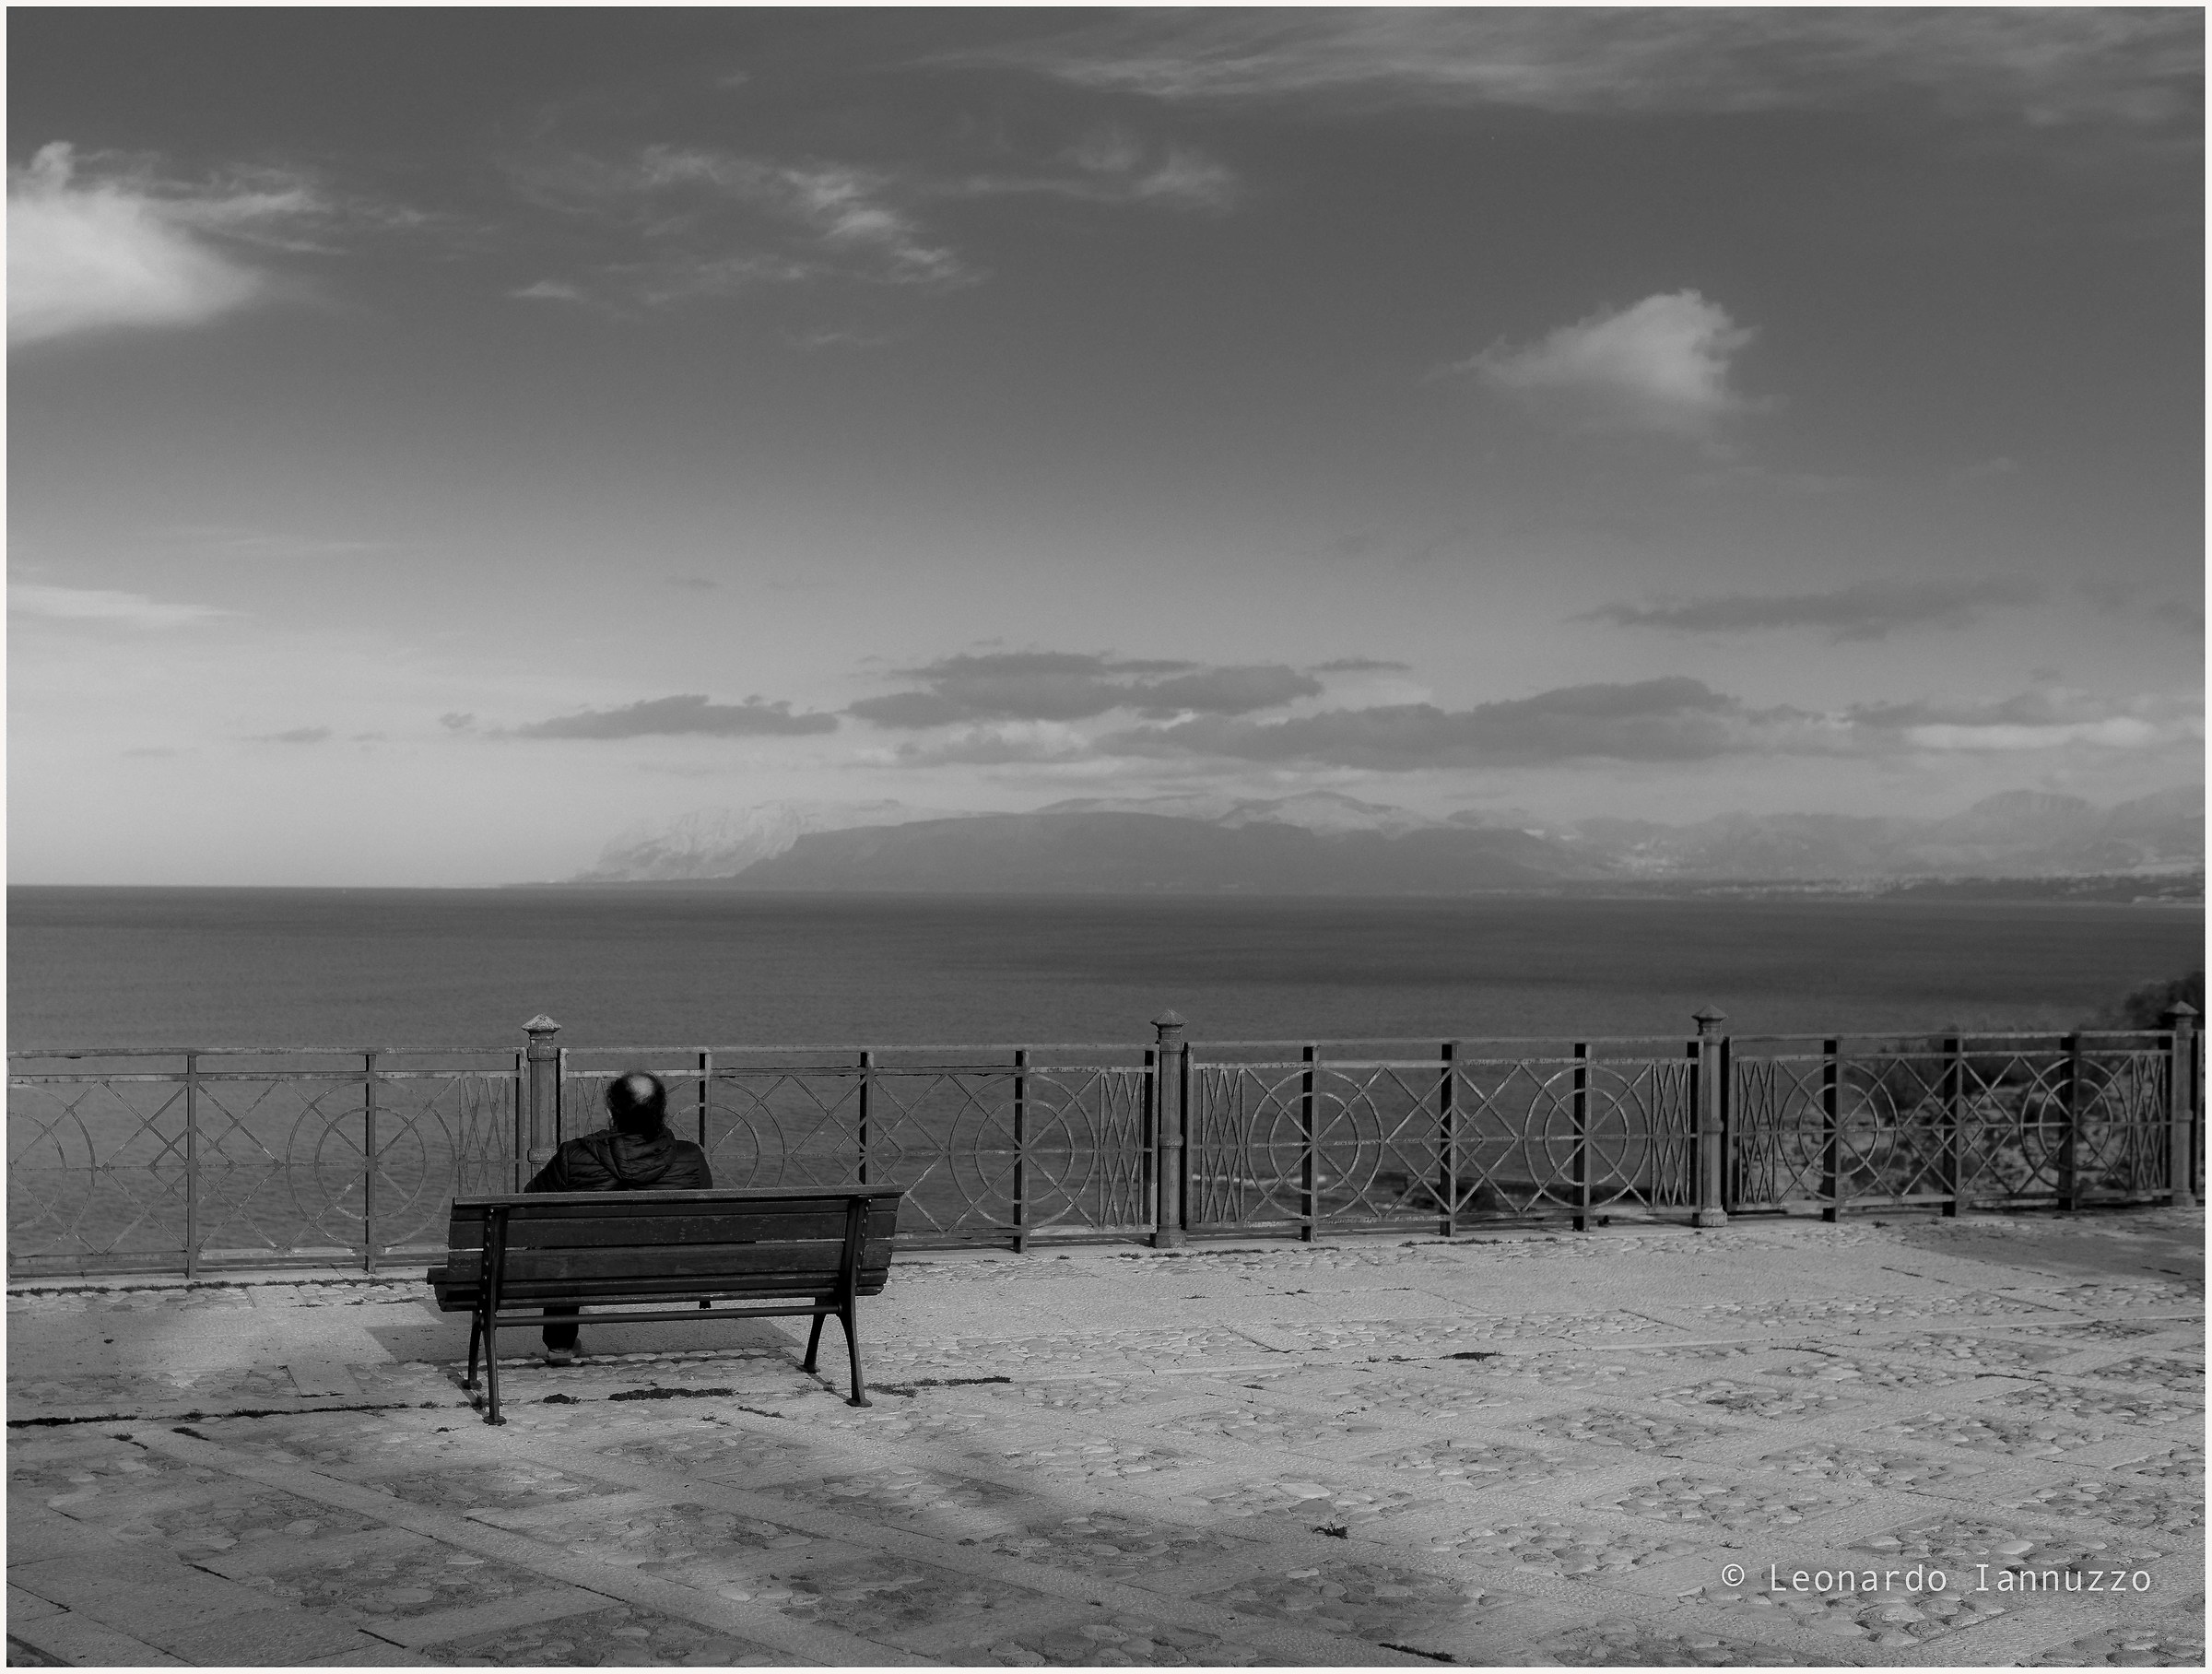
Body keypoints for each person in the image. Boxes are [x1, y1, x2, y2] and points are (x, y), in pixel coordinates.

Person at [524, 1070, 712, 1364]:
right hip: (669, 1269)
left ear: (611, 1111)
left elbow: (528, 1206)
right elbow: (707, 1219)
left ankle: (560, 1344)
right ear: (661, 1112)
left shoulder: (574, 1155)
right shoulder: (690, 1157)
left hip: (585, 1269)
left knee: (562, 1245)